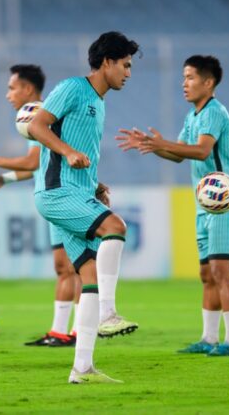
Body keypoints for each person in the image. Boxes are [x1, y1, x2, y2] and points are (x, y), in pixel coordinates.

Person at [27, 31, 140, 384]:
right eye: (125, 65)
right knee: (116, 227)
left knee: (89, 276)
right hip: (57, 192)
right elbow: (36, 125)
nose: (128, 73)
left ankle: (82, 368)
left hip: (77, 190)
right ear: (106, 62)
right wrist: (67, 152)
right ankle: (108, 312)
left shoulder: (98, 102)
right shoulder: (73, 88)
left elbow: (79, 152)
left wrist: (95, 184)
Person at [118, 55, 229, 357]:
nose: (183, 84)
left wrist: (162, 143)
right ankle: (208, 338)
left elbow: (201, 151)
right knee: (207, 274)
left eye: (190, 77)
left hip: (226, 202)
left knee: (221, 271)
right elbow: (178, 155)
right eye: (184, 77)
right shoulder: (193, 116)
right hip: (205, 204)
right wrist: (152, 145)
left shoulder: (214, 112)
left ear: (208, 82)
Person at [0, 64, 79, 347]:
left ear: (28, 89)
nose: (8, 94)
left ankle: (78, 330)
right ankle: (60, 332)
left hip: (63, 194)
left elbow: (31, 161)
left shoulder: (39, 114)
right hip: (53, 194)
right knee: (64, 267)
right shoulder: (35, 114)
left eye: (12, 88)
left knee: (75, 266)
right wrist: (4, 179)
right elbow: (39, 165)